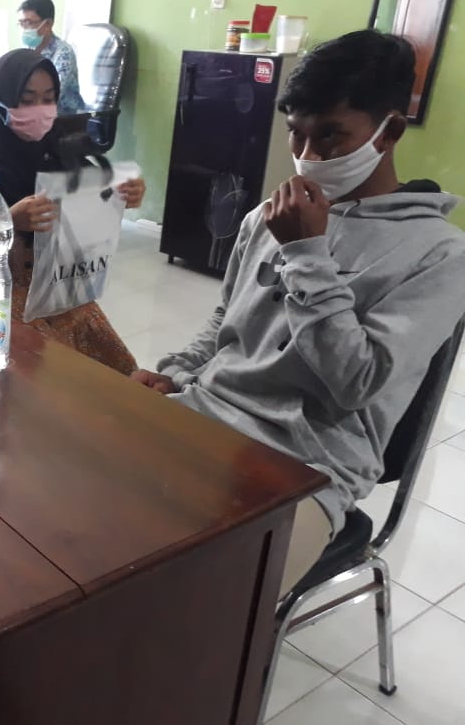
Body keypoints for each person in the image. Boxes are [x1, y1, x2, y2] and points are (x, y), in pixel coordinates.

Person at [132, 30, 465, 594]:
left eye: (331, 135)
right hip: (202, 414)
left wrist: (308, 254)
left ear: (389, 133)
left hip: (309, 466)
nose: (309, 155)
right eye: (297, 133)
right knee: (76, 519)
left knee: (191, 606)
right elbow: (226, 323)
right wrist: (176, 372)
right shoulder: (266, 217)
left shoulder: (439, 254)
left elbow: (357, 382)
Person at [0, 48, 144, 375]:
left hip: (54, 280)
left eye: (48, 98)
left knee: (114, 370)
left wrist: (122, 194)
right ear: (0, 98)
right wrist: (9, 221)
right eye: (26, 100)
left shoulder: (59, 145)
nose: (39, 110)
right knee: (36, 372)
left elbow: (90, 195)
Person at [18, 0, 85, 114]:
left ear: (48, 24)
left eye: (28, 23)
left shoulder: (64, 54)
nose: (24, 29)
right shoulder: (26, 51)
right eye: (21, 23)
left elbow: (51, 94)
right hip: (33, 114)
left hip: (61, 119)